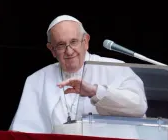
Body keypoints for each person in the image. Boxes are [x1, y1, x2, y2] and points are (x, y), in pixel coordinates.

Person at [9, 15, 148, 133]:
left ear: (86, 41)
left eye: (74, 42)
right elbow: (22, 131)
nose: (69, 51)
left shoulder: (115, 68)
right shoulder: (37, 80)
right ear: (51, 49)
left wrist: (95, 92)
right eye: (61, 45)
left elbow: (139, 107)